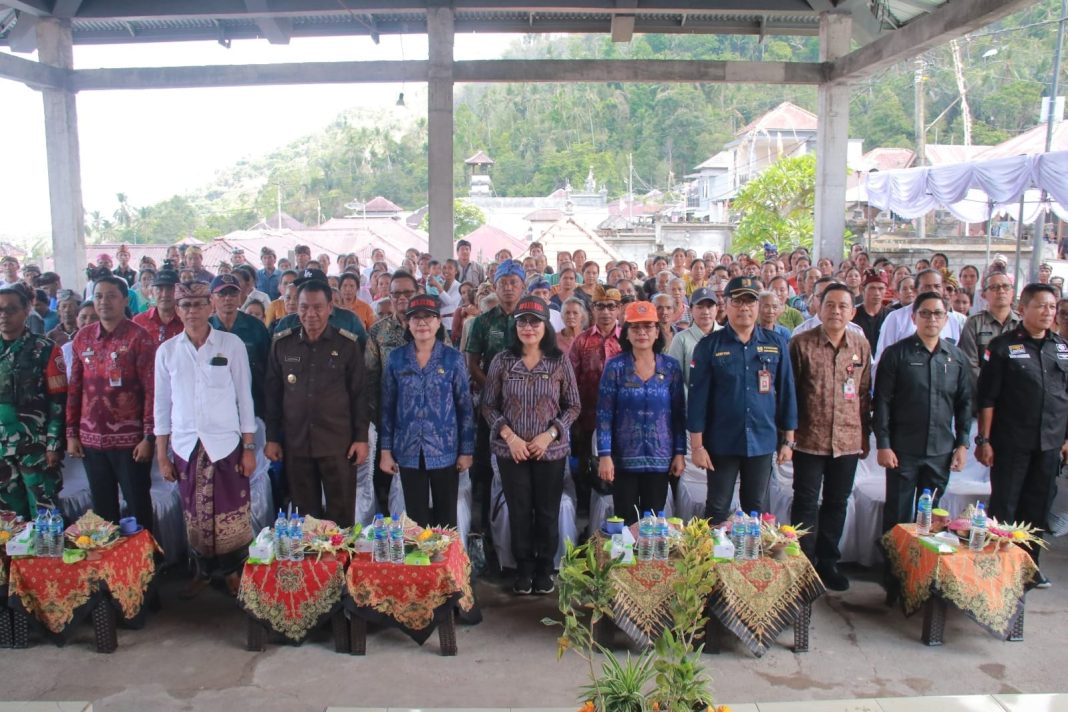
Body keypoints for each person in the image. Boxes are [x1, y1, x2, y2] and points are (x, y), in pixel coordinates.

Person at [154, 280, 257, 597]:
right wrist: (162, 455)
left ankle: (233, 572)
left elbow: (245, 398)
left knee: (232, 512)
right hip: (186, 446)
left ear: (211, 306)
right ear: (177, 310)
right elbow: (161, 405)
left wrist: (249, 447)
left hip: (225, 445)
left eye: (199, 304)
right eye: (185, 305)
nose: (192, 311)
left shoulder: (231, 344)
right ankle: (201, 572)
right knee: (194, 515)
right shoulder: (167, 351)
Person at [481, 295, 580, 595]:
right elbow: (488, 405)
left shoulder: (559, 360)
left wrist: (549, 435)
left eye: (534, 322)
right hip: (512, 451)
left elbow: (573, 406)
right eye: (522, 322)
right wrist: (510, 437)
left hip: (549, 451)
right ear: (515, 327)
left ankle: (545, 569)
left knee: (547, 512)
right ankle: (523, 568)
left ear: (545, 326)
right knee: (519, 510)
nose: (528, 327)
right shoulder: (502, 360)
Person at [976, 283, 1068, 586]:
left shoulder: (1061, 347)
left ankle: (1029, 566)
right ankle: (996, 566)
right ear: (1022, 308)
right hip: (1011, 443)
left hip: (1049, 443)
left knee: (1037, 507)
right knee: (1005, 506)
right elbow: (987, 398)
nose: (1048, 312)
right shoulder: (1002, 347)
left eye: (1052, 307)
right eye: (1040, 305)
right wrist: (984, 440)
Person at [689, 276, 798, 523]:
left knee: (755, 508)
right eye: (737, 301)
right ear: (726, 305)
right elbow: (697, 399)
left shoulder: (776, 343)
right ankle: (713, 550)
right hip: (722, 441)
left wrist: (789, 440)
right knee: (717, 507)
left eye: (750, 301)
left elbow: (787, 391)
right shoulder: (709, 346)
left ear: (758, 306)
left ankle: (749, 550)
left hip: (762, 438)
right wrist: (697, 446)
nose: (744, 308)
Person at [265, 278, 369, 528]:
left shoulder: (347, 345)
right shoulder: (283, 343)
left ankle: (341, 554)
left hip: (338, 444)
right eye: (304, 307)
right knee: (305, 517)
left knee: (341, 515)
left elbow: (359, 395)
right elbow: (273, 395)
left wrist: (361, 438)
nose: (310, 314)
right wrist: (272, 437)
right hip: (297, 443)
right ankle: (310, 556)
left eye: (317, 307)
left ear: (330, 308)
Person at [788, 283, 871, 591]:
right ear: (818, 308)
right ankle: (802, 564)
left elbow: (864, 393)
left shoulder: (860, 345)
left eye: (843, 306)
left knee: (837, 502)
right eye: (830, 305)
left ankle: (828, 562)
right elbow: (790, 394)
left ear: (852, 312)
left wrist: (865, 435)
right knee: (806, 502)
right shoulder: (800, 344)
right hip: (809, 439)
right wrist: (788, 436)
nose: (836, 311)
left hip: (848, 440)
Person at [873, 292, 972, 533]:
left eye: (937, 313)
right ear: (913, 317)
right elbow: (882, 402)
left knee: (931, 518)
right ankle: (893, 558)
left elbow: (964, 403)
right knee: (897, 516)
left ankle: (924, 557)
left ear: (946, 319)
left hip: (940, 451)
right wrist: (883, 444)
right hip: (902, 450)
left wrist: (962, 444)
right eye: (925, 313)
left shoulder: (956, 358)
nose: (931, 319)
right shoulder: (896, 354)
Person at [66, 276, 156, 529]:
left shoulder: (139, 337)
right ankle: (110, 555)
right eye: (98, 296)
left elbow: (152, 390)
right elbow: (75, 388)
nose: (104, 301)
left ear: (125, 300)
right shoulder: (83, 337)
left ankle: (146, 553)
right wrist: (72, 433)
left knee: (138, 505)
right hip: (91, 439)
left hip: (131, 442)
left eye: (111, 296)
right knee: (103, 509)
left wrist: (148, 437)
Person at [379, 294, 475, 529]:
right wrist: (385, 452)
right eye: (416, 318)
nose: (422, 323)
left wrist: (466, 451)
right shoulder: (396, 359)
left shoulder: (452, 359)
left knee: (447, 520)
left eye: (429, 317)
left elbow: (465, 407)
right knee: (416, 520)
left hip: (445, 449)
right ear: (408, 323)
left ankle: (447, 556)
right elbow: (387, 407)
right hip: (408, 449)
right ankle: (419, 555)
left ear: (438, 322)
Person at [596, 300, 686, 525]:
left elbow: (678, 414)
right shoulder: (615, 367)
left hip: (660, 458)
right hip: (623, 459)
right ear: (626, 333)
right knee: (625, 523)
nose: (642, 333)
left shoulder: (671, 367)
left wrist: (679, 452)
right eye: (635, 327)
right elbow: (604, 414)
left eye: (648, 327)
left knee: (652, 523)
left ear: (657, 332)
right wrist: (605, 456)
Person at [466, 259, 526, 536]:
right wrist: (493, 390)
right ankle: (485, 529)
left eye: (514, 283)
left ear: (523, 286)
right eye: (503, 283)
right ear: (495, 286)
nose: (509, 288)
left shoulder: (533, 319)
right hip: (491, 406)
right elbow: (472, 363)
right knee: (486, 464)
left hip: (527, 406)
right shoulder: (483, 321)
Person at [0, 284, 66, 519]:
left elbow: (58, 402)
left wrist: (53, 444)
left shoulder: (46, 349)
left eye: (11, 309)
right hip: (1, 450)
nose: (4, 315)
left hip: (36, 449)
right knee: (7, 521)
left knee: (44, 515)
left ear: (26, 310)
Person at [365, 270, 420, 515]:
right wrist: (377, 419)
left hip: (426, 420)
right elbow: (370, 378)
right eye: (396, 294)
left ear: (417, 293)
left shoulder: (432, 327)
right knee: (388, 480)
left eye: (407, 293)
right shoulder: (378, 332)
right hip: (389, 418)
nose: (402, 298)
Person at [567, 286, 623, 511]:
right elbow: (570, 381)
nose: (606, 312)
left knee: (617, 467)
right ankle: (588, 516)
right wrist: (574, 418)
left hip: (622, 418)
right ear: (592, 309)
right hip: (587, 416)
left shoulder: (627, 339)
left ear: (618, 309)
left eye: (611, 306)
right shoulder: (581, 341)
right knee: (587, 466)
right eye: (600, 306)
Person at [208, 274, 270, 419]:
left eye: (233, 293)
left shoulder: (256, 327)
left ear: (240, 297)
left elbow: (268, 368)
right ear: (212, 298)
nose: (228, 298)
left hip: (253, 404)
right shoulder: (206, 328)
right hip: (215, 407)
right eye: (222, 294)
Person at [875, 269, 961, 370]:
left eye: (937, 286)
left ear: (943, 289)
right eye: (927, 287)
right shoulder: (896, 318)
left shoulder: (952, 320)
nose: (933, 291)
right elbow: (882, 360)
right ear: (916, 290)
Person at [958, 272, 1019, 393]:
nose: (1001, 291)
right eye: (994, 287)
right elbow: (970, 365)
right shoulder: (974, 323)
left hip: (1016, 394)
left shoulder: (1022, 324)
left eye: (1006, 286)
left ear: (1012, 292)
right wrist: (992, 390)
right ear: (984, 294)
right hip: (982, 393)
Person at [132, 268, 184, 346]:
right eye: (159, 289)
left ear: (179, 292)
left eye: (170, 289)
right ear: (152, 292)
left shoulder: (187, 320)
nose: (165, 294)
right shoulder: (138, 322)